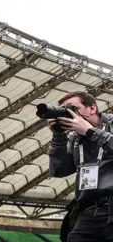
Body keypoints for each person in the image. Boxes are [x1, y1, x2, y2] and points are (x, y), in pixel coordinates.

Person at [48, 91, 113, 241]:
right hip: (87, 209)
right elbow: (59, 171)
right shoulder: (75, 138)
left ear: (92, 108)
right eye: (64, 110)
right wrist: (58, 138)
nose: (69, 114)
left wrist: (91, 132)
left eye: (73, 108)